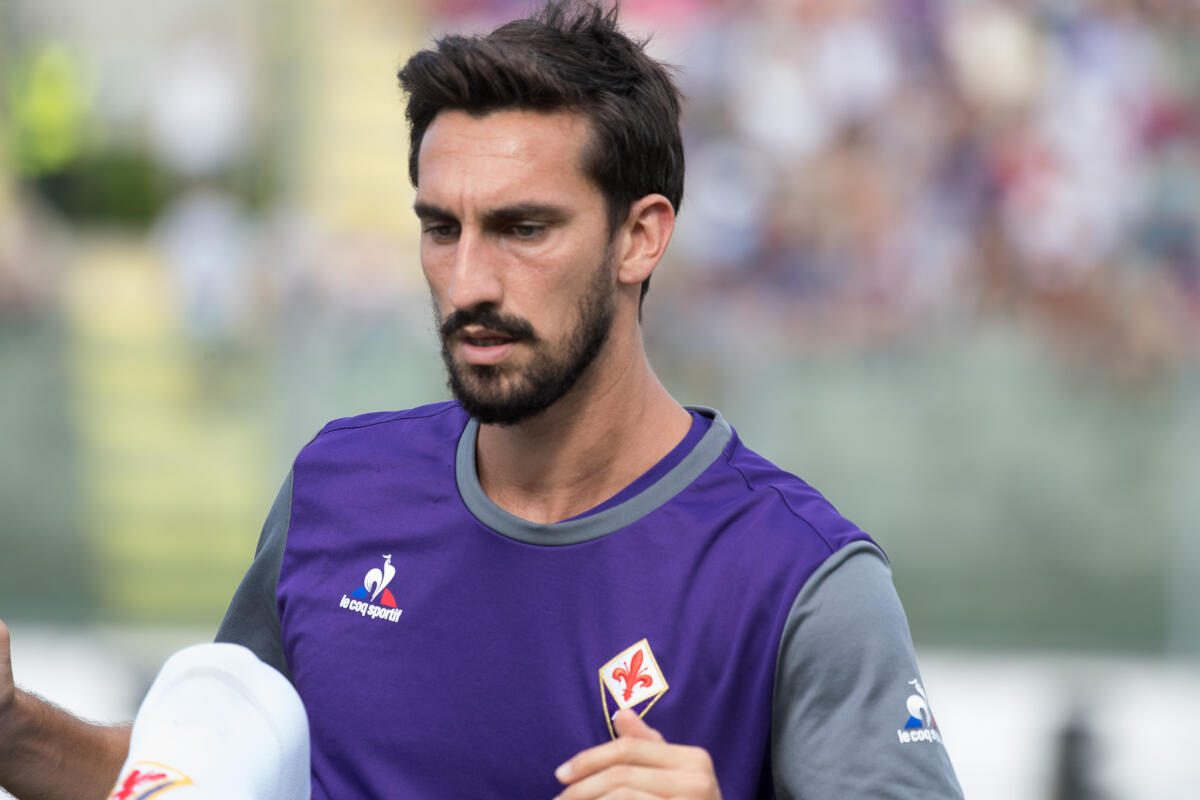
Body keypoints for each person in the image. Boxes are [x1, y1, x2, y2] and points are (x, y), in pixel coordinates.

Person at [0, 2, 963, 798]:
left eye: (522, 228)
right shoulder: (339, 486)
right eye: (439, 228)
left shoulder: (801, 581)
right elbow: (196, 785)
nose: (467, 282)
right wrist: (13, 730)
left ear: (642, 238)